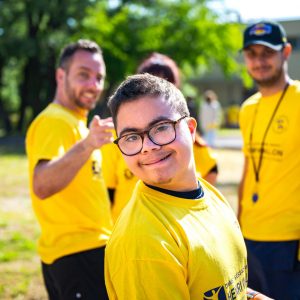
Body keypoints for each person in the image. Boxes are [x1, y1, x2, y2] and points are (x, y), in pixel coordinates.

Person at [104, 73, 271, 300]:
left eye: (161, 127)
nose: (148, 147)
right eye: (132, 137)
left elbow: (226, 287)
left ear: (191, 130)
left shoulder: (208, 194)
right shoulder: (143, 245)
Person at [25, 39, 114, 300]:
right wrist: (87, 145)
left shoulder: (78, 123)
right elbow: (41, 185)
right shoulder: (55, 121)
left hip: (85, 254)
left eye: (99, 77)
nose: (93, 85)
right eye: (83, 75)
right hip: (77, 256)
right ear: (60, 75)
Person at [101, 52, 218, 222]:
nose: (149, 145)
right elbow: (107, 189)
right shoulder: (116, 137)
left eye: (166, 82)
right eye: (149, 81)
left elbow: (212, 169)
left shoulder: (183, 134)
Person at [238, 20, 300, 299]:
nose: (259, 61)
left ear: (285, 52)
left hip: (289, 241)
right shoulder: (247, 108)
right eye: (252, 54)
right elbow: (248, 169)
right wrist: (236, 227)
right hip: (250, 237)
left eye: (267, 53)